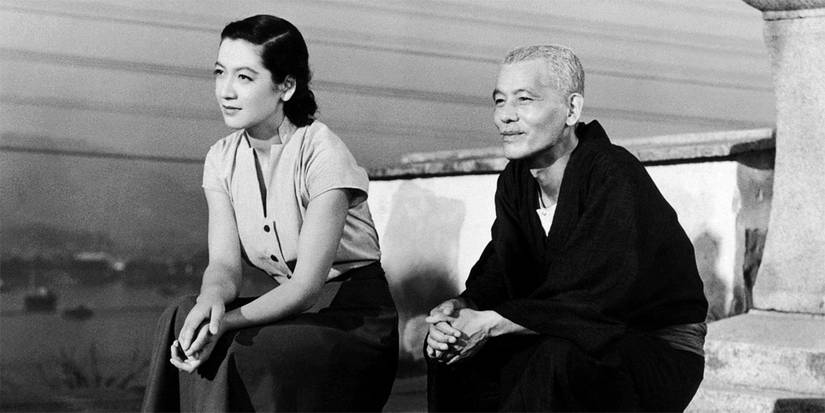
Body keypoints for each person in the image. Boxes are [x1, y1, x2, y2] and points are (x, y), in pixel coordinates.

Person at [425, 45, 708, 412]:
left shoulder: (611, 173)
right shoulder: (516, 182)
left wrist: (493, 322)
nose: (506, 117)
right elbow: (502, 271)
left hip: (652, 346)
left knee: (558, 357)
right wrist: (461, 309)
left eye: (524, 100)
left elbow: (598, 300)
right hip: (565, 329)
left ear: (572, 109)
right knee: (454, 355)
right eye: (499, 101)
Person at [141, 15, 398, 412]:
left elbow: (304, 289)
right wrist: (211, 301)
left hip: (352, 323)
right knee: (181, 316)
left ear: (286, 86)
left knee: (236, 349)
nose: (225, 90)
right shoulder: (221, 158)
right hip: (291, 315)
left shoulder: (322, 153)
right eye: (219, 72)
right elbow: (225, 266)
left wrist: (224, 322)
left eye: (244, 77)